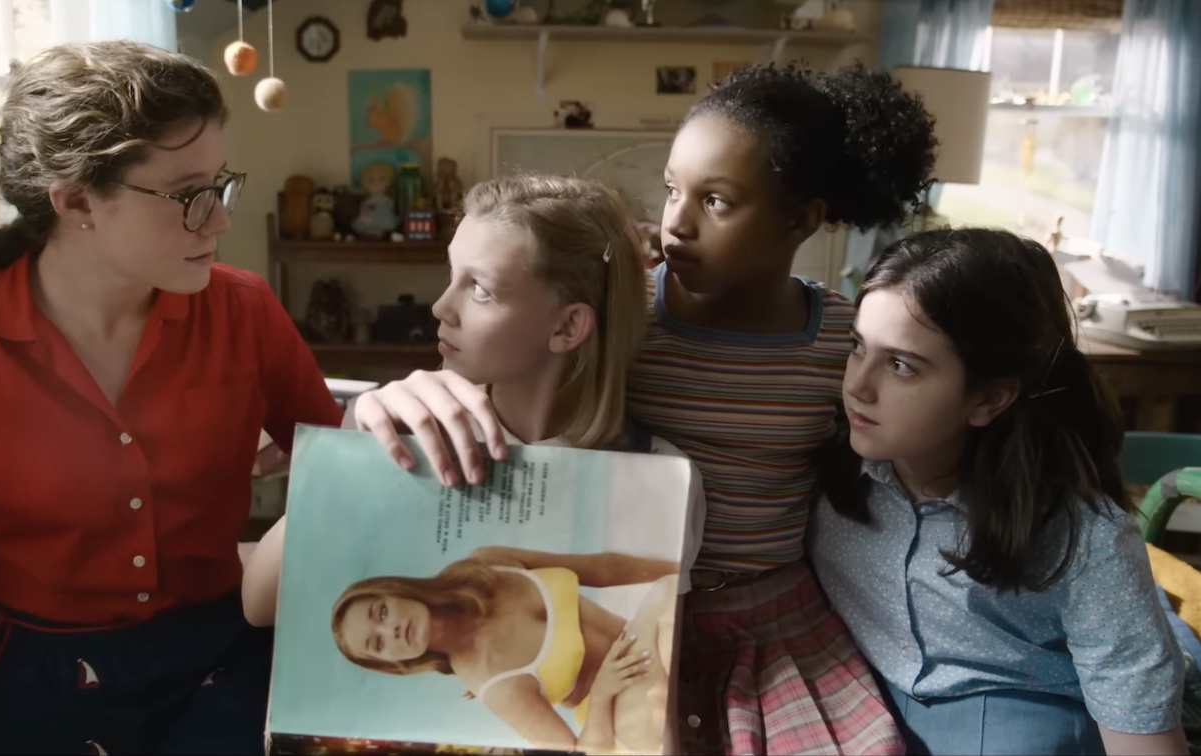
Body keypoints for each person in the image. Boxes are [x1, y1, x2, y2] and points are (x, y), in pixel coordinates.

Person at [348, 62, 937, 754]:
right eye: (672, 189)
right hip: (640, 615)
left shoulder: (843, 341)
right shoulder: (617, 316)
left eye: (716, 201)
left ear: (799, 220)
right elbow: (516, 385)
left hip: (769, 624)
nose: (676, 222)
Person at [0, 41, 341, 755]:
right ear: (78, 200)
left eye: (220, 185)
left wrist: (400, 417)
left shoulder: (243, 310)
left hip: (226, 645)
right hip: (42, 664)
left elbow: (354, 479)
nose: (219, 220)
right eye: (189, 195)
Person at [242, 174, 707, 754]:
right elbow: (259, 602)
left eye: (479, 289)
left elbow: (659, 687)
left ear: (567, 326)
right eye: (450, 275)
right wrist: (352, 452)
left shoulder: (657, 474)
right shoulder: (407, 433)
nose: (441, 307)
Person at [808, 227, 1186, 755]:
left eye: (900, 365)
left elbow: (1143, 738)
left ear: (988, 399)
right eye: (857, 347)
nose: (857, 386)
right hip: (867, 706)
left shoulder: (1085, 539)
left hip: (1029, 722)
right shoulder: (824, 467)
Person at [332, 547, 681, 754]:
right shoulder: (494, 684)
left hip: (640, 640)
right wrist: (602, 692)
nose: (390, 630)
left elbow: (601, 568)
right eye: (379, 643)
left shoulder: (485, 566)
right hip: (622, 709)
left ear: (395, 590)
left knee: (670, 592)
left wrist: (685, 568)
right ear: (394, 663)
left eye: (381, 612)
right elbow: (583, 752)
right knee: (664, 660)